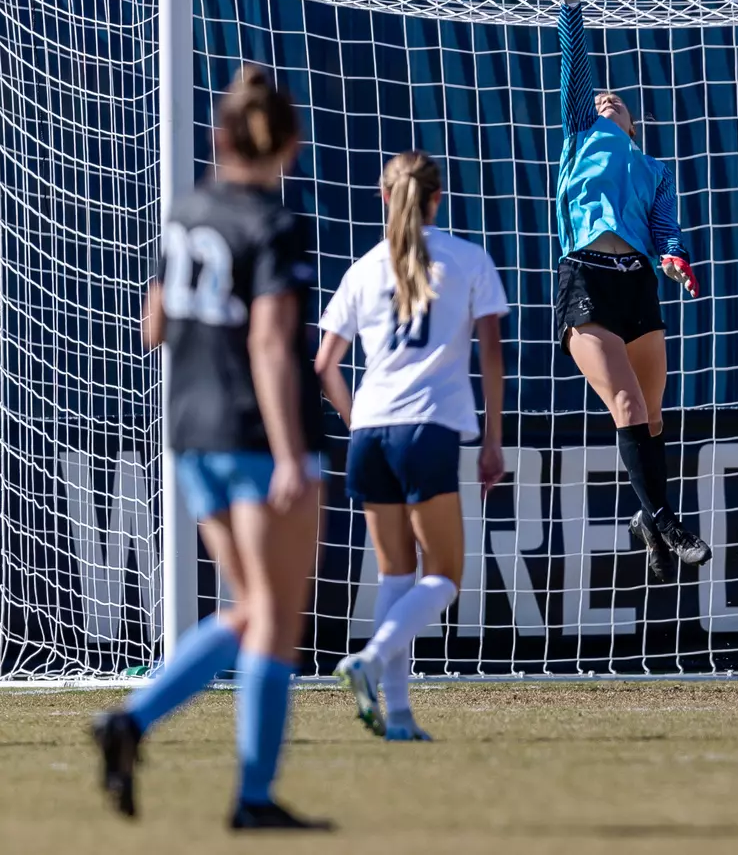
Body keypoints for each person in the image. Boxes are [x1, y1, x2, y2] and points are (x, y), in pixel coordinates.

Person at [91, 66, 331, 831]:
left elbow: (152, 325)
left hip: (190, 431)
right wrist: (292, 451)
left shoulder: (186, 212)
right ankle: (251, 797)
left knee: (250, 609)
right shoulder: (273, 222)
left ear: (219, 138)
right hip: (256, 435)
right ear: (289, 144)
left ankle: (132, 721)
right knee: (276, 617)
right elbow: (268, 341)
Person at [315, 150, 507, 740]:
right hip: (427, 428)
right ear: (436, 198)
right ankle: (370, 659)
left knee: (396, 574)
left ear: (383, 197)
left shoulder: (363, 268)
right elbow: (492, 353)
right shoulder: (467, 258)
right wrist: (492, 440)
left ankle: (397, 717)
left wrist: (355, 422)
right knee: (444, 575)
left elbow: (324, 364)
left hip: (370, 431)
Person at [546, 0, 712, 582]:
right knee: (627, 407)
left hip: (637, 282)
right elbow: (576, 65)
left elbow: (668, 229)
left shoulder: (651, 167)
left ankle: (647, 516)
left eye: (621, 101)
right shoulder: (582, 132)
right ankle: (666, 519)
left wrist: (675, 257)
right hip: (587, 275)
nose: (609, 98)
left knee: (652, 416)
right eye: (602, 97)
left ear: (635, 124)